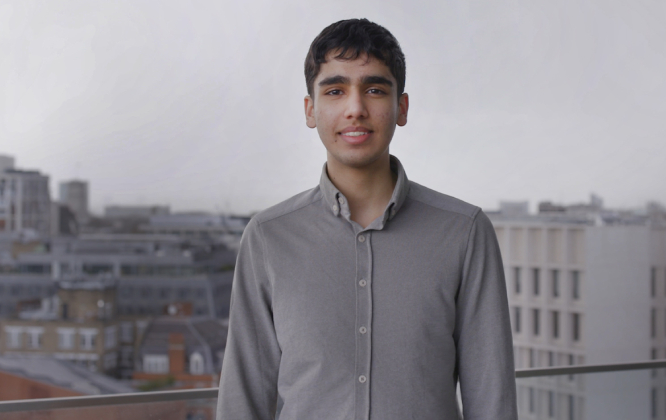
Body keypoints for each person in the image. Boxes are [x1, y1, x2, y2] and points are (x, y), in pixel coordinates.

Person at [216, 18, 517, 420]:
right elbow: (243, 399)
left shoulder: (464, 233)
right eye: (336, 91)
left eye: (374, 89)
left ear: (401, 108)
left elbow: (492, 399)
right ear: (311, 109)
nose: (355, 109)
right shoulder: (268, 238)